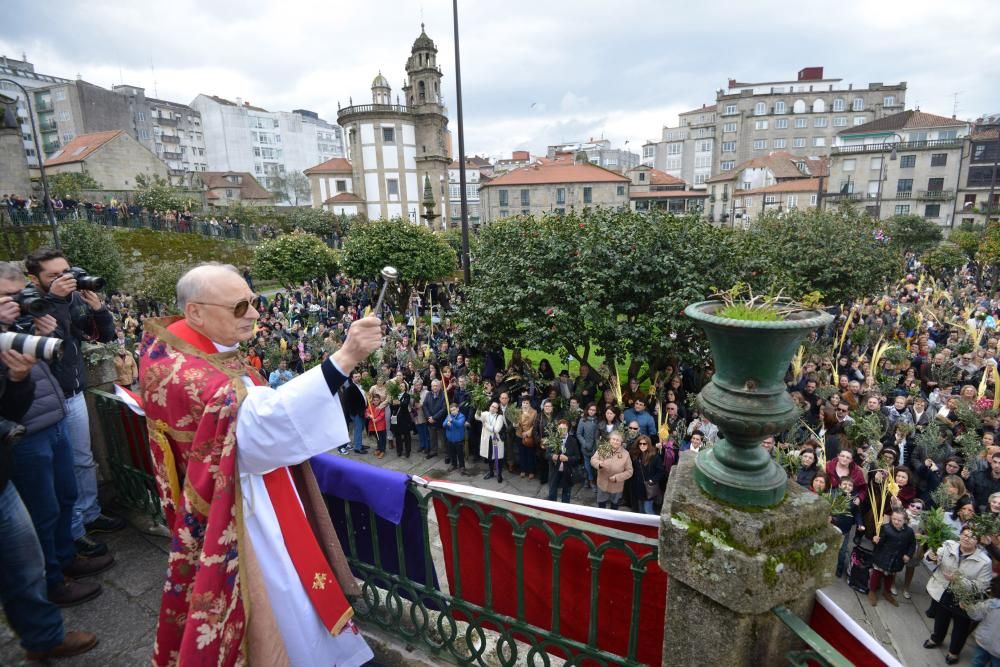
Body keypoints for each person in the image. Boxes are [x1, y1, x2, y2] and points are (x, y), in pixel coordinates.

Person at [138, 263, 379, 666]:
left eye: (254, 301)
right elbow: (261, 433)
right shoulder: (197, 379)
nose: (253, 314)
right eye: (239, 307)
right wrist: (346, 357)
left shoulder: (171, 348)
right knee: (282, 592)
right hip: (242, 506)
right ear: (195, 312)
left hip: (238, 488)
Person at [0, 296, 98, 660]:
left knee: (24, 561)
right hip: (25, 448)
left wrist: (17, 376)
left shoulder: (19, 333)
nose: (16, 305)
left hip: (6, 473)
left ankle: (43, 636)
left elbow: (11, 409)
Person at [25, 248, 124, 554]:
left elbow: (105, 337)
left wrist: (98, 310)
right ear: (34, 279)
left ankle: (90, 514)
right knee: (60, 471)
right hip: (43, 402)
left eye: (66, 272)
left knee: (83, 460)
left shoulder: (74, 299)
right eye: (54, 276)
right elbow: (49, 340)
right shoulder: (31, 304)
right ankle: (72, 531)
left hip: (74, 390)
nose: (64, 280)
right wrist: (55, 300)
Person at [923, 526, 994, 664]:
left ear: (978, 541)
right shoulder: (948, 545)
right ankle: (936, 639)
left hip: (964, 599)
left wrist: (959, 580)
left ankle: (954, 652)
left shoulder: (985, 561)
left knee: (960, 627)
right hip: (944, 591)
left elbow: (982, 586)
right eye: (965, 535)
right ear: (960, 534)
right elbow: (931, 556)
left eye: (972, 537)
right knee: (940, 619)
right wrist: (930, 556)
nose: (967, 539)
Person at [867, 509, 916, 607]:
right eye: (894, 519)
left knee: (890, 576)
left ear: (905, 521)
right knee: (876, 574)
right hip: (882, 556)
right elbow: (879, 542)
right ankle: (872, 592)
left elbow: (912, 544)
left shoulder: (909, 532)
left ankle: (886, 592)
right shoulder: (886, 528)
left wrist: (908, 555)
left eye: (899, 520)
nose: (896, 522)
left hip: (896, 559)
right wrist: (875, 540)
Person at [591, 431, 633, 511]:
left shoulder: (625, 454)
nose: (615, 441)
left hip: (616, 486)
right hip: (602, 484)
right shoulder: (603, 448)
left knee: (614, 507)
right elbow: (593, 460)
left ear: (621, 442)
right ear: (610, 440)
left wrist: (617, 477)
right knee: (601, 507)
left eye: (618, 440)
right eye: (613, 439)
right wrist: (599, 464)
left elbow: (630, 471)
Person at [963, 576, 1000, 667]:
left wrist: (968, 607)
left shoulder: (991, 604)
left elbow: (975, 614)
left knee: (977, 662)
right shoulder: (991, 604)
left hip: (984, 642)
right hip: (990, 646)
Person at [546, 419, 580, 503]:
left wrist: (568, 458)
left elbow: (578, 457)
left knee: (566, 494)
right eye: (560, 428)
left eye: (564, 429)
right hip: (554, 470)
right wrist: (552, 456)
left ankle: (564, 512)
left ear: (567, 429)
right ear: (557, 429)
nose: (562, 431)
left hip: (567, 471)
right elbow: (546, 454)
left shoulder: (573, 441)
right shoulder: (552, 439)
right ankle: (551, 511)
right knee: (552, 493)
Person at [340, 370, 369, 455]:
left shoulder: (361, 386)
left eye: (359, 376)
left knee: (361, 429)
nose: (358, 378)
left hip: (363, 411)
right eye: (356, 377)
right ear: (352, 378)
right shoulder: (350, 388)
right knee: (358, 429)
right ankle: (357, 448)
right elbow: (347, 402)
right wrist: (354, 413)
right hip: (357, 413)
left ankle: (359, 444)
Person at [634, 435, 665, 514]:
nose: (642, 445)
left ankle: (653, 526)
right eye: (640, 444)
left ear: (648, 444)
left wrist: (652, 480)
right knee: (641, 510)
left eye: (644, 444)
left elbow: (661, 471)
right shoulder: (637, 455)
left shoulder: (655, 456)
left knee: (648, 510)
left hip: (649, 487)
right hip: (639, 487)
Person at [477, 401, 505, 483]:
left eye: (495, 407)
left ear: (497, 410)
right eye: (492, 406)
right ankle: (491, 472)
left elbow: (496, 429)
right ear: (490, 407)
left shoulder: (499, 417)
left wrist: (486, 426)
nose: (493, 408)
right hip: (487, 440)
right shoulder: (485, 414)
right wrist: (478, 406)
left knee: (498, 457)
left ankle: (499, 474)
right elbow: (476, 417)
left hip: (496, 440)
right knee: (490, 457)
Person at [575, 403, 599, 490]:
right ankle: (590, 479)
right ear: (587, 410)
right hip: (586, 447)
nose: (592, 412)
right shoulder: (583, 420)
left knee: (595, 465)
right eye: (590, 410)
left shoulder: (597, 420)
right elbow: (578, 434)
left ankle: (592, 479)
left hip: (595, 447)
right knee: (587, 464)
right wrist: (584, 444)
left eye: (594, 410)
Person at [423, 379, 447, 459]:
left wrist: (434, 417)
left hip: (440, 421)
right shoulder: (428, 394)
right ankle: (433, 451)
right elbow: (425, 405)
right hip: (430, 421)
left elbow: (444, 409)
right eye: (433, 386)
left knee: (443, 439)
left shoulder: (444, 395)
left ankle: (447, 454)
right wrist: (429, 417)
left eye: (436, 386)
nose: (435, 387)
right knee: (432, 437)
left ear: (440, 386)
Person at [516, 396, 539, 480]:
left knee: (530, 454)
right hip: (520, 434)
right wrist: (516, 425)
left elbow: (535, 424)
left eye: (527, 403)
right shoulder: (518, 411)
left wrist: (528, 432)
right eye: (523, 403)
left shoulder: (534, 412)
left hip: (529, 436)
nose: (525, 405)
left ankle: (531, 471)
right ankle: (523, 470)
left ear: (529, 404)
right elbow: (516, 423)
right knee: (522, 453)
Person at [390, 379, 413, 458]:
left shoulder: (407, 395)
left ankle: (407, 451)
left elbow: (405, 404)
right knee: (397, 435)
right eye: (400, 386)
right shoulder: (395, 395)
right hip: (396, 418)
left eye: (402, 386)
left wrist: (399, 402)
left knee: (407, 435)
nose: (401, 387)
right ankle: (399, 451)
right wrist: (393, 403)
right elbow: (392, 406)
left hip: (404, 418)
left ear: (405, 388)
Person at [443, 403, 468, 474]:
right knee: (452, 453)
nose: (452, 412)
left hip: (458, 440)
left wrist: (452, 420)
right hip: (450, 440)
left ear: (458, 409)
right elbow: (443, 424)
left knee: (460, 454)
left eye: (454, 410)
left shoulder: (461, 416)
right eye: (451, 411)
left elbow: (460, 424)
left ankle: (462, 466)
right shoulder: (449, 416)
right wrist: (447, 424)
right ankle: (454, 464)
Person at [365, 386, 389, 459]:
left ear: (380, 400)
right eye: (374, 400)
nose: (375, 401)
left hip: (381, 426)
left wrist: (376, 419)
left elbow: (382, 415)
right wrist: (369, 415)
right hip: (374, 426)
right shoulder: (370, 406)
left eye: (377, 400)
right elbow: (366, 413)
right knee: (377, 439)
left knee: (382, 439)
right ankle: (378, 448)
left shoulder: (381, 407)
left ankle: (382, 450)